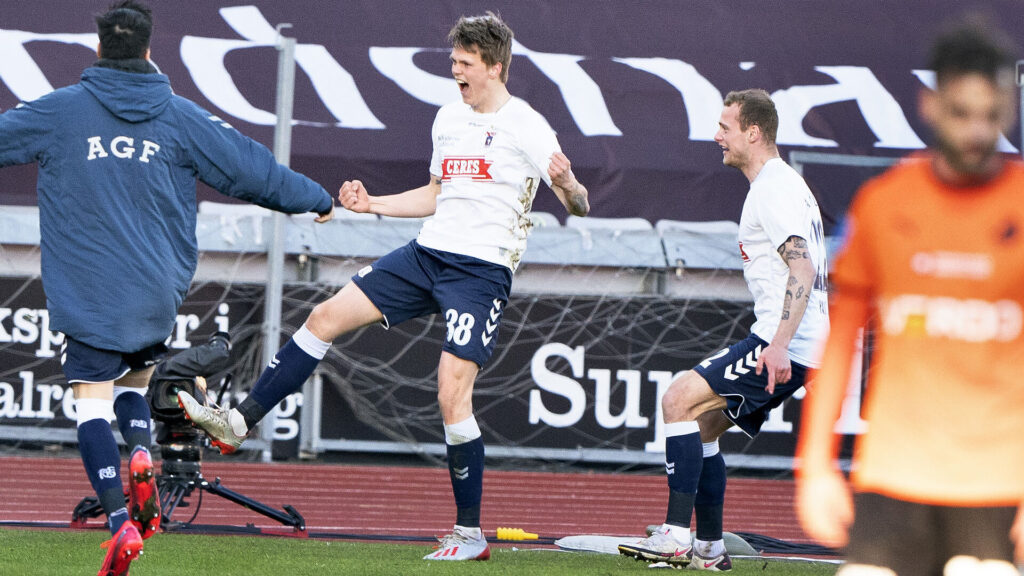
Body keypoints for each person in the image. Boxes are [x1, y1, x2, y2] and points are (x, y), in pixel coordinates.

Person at [178, 11, 589, 562]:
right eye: (453, 63)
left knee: (451, 394)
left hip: (480, 273)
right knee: (324, 317)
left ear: (495, 67)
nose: (456, 73)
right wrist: (372, 205)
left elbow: (578, 204)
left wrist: (566, 183)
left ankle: (469, 536)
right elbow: (435, 195)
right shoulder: (449, 117)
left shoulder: (528, 126)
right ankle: (237, 423)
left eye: (465, 65)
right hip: (426, 256)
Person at [0, 2, 335, 574]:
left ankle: (117, 521)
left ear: (98, 49)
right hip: (154, 291)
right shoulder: (181, 118)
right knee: (134, 378)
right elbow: (252, 168)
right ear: (151, 52)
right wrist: (318, 198)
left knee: (88, 401)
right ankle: (139, 456)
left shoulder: (58, 112)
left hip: (87, 290)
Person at [795, 19, 1024, 575]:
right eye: (961, 114)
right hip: (893, 474)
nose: (976, 132)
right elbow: (841, 343)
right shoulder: (883, 204)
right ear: (930, 104)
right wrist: (815, 466)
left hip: (997, 481)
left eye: (992, 116)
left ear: (1011, 109)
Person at [618, 89, 829, 570]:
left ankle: (675, 537)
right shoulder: (780, 185)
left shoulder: (774, 188)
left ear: (753, 133)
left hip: (789, 342)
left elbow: (803, 271)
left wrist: (776, 347)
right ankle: (710, 550)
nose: (717, 137)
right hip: (802, 342)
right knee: (705, 424)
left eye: (725, 128)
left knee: (677, 399)